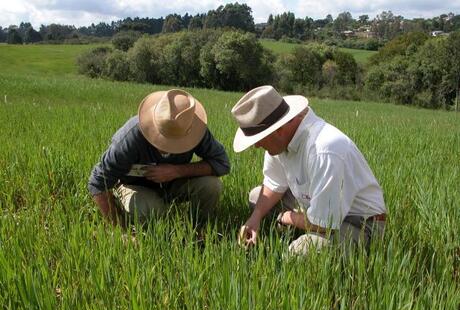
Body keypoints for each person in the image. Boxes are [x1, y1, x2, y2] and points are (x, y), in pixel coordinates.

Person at [230, 85, 386, 255]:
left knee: (300, 253)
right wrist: (255, 218)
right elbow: (273, 184)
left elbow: (324, 225)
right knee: (256, 198)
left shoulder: (325, 149)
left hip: (358, 223)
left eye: (259, 138)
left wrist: (287, 217)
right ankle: (294, 229)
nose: (256, 145)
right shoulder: (278, 143)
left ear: (279, 130)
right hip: (314, 208)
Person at [88, 89, 230, 228]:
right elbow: (98, 182)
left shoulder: (193, 128)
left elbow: (222, 163)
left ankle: (198, 229)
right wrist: (119, 230)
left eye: (178, 142)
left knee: (212, 186)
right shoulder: (130, 137)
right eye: (165, 140)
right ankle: (153, 217)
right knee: (151, 210)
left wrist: (177, 171)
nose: (170, 147)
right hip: (135, 185)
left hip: (175, 182)